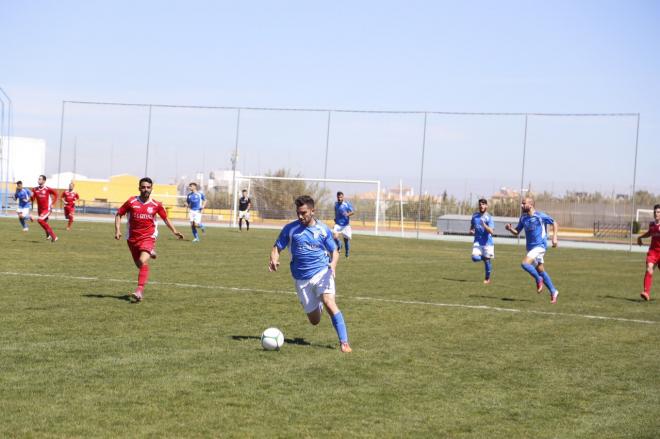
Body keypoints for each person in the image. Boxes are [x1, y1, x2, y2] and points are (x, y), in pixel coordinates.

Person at [269, 195, 352, 353]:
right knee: (314, 321)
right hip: (301, 279)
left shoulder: (322, 229)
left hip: (322, 272)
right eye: (298, 213)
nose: (300, 216)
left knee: (329, 302)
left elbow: (334, 251)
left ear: (313, 211)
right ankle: (317, 304)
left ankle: (344, 342)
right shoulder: (290, 229)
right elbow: (277, 247)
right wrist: (274, 259)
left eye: (304, 213)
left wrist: (333, 265)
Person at [115, 177, 184, 302]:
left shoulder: (156, 205)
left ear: (151, 189)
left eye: (148, 187)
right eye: (143, 187)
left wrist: (174, 231)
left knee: (142, 261)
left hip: (148, 236)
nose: (145, 189)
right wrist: (118, 230)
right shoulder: (131, 202)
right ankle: (150, 252)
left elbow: (166, 219)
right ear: (139, 188)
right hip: (132, 238)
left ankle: (139, 291)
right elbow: (119, 214)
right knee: (138, 265)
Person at [505, 197, 559, 303]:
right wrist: (510, 229)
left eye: (523, 203)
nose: (521, 205)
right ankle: (554, 291)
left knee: (525, 264)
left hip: (540, 246)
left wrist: (554, 237)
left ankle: (538, 279)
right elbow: (517, 232)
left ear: (531, 205)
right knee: (541, 270)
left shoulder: (540, 216)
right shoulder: (523, 218)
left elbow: (554, 223)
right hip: (530, 248)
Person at [637, 204, 660, 301]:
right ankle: (646, 292)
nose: (656, 213)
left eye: (658, 212)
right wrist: (640, 237)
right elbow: (649, 233)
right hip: (653, 252)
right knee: (649, 269)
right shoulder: (652, 224)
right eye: (655, 212)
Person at [469, 198, 495, 284]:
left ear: (486, 206)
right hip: (477, 241)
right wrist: (471, 230)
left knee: (487, 262)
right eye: (480, 204)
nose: (481, 206)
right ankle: (485, 258)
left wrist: (484, 225)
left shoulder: (489, 218)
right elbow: (472, 226)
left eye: (483, 204)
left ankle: (487, 279)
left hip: (488, 242)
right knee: (475, 258)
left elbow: (491, 231)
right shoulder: (475, 216)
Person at [31, 175, 59, 243]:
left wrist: (53, 204)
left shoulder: (47, 189)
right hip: (40, 210)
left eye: (40, 179)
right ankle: (48, 235)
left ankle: (54, 236)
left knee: (40, 220)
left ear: (44, 181)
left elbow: (56, 194)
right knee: (44, 222)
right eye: (38, 179)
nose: (38, 180)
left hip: (47, 209)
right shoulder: (34, 189)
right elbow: (32, 199)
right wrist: (31, 196)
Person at [333, 191, 354, 258]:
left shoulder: (346, 204)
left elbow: (352, 212)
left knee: (346, 240)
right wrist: (335, 218)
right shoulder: (336, 204)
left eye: (341, 197)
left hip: (345, 225)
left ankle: (347, 252)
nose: (339, 198)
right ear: (337, 197)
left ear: (343, 197)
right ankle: (339, 244)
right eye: (338, 197)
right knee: (335, 237)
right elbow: (336, 212)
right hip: (338, 224)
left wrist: (347, 214)